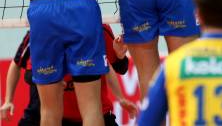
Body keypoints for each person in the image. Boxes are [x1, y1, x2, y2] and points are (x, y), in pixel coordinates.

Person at [0, 26, 137, 126]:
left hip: (98, 114)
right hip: (60, 117)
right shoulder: (40, 32)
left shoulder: (98, 29)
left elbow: (111, 66)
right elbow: (17, 64)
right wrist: (8, 100)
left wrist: (121, 97)